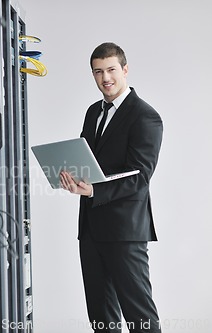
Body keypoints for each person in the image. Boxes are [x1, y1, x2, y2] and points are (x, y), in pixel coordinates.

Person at [59, 42, 163, 333]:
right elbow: (86, 157)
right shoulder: (93, 112)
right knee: (101, 318)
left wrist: (94, 191)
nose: (105, 78)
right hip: (91, 229)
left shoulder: (145, 116)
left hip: (124, 232)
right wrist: (71, 175)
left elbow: (140, 176)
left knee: (140, 317)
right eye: (98, 71)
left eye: (111, 70)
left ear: (125, 69)